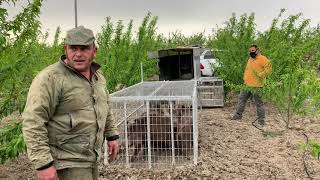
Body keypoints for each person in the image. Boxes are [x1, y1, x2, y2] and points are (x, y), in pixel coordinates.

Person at [22, 26, 120, 180]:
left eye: (84, 48)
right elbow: (33, 121)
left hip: (90, 159)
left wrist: (112, 135)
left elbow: (104, 106)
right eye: (73, 48)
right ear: (65, 49)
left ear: (94, 51)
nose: (78, 54)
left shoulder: (97, 76)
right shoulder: (50, 78)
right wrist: (43, 164)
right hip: (65, 163)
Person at [231, 44, 272, 129]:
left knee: (259, 104)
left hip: (257, 86)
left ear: (257, 50)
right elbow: (247, 70)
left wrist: (260, 75)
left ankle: (261, 122)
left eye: (252, 51)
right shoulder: (250, 59)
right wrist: (245, 79)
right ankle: (238, 115)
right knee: (241, 99)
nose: (251, 53)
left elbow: (269, 70)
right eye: (250, 51)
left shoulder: (263, 59)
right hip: (246, 85)